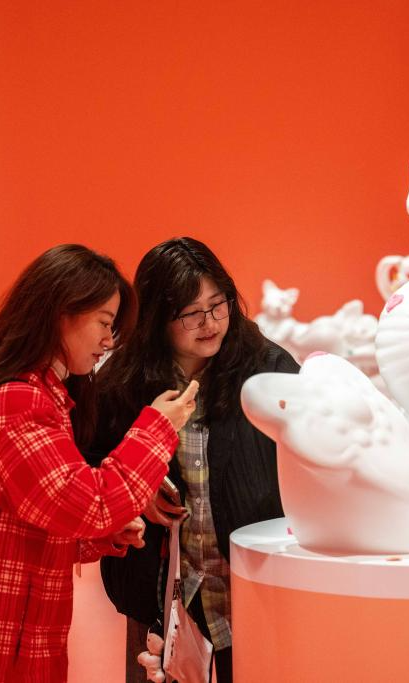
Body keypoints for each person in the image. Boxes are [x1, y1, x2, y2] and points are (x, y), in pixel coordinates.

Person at [0, 244, 199, 683]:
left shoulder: (41, 396)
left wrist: (101, 536)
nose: (109, 341)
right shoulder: (19, 400)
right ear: (62, 312)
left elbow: (28, 523)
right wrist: (158, 426)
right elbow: (90, 504)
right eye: (104, 323)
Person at [87, 237, 299, 682]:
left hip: (253, 590)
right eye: (191, 313)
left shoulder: (268, 369)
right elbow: (93, 472)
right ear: (156, 319)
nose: (210, 323)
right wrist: (136, 493)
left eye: (218, 305)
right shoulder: (121, 383)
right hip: (159, 592)